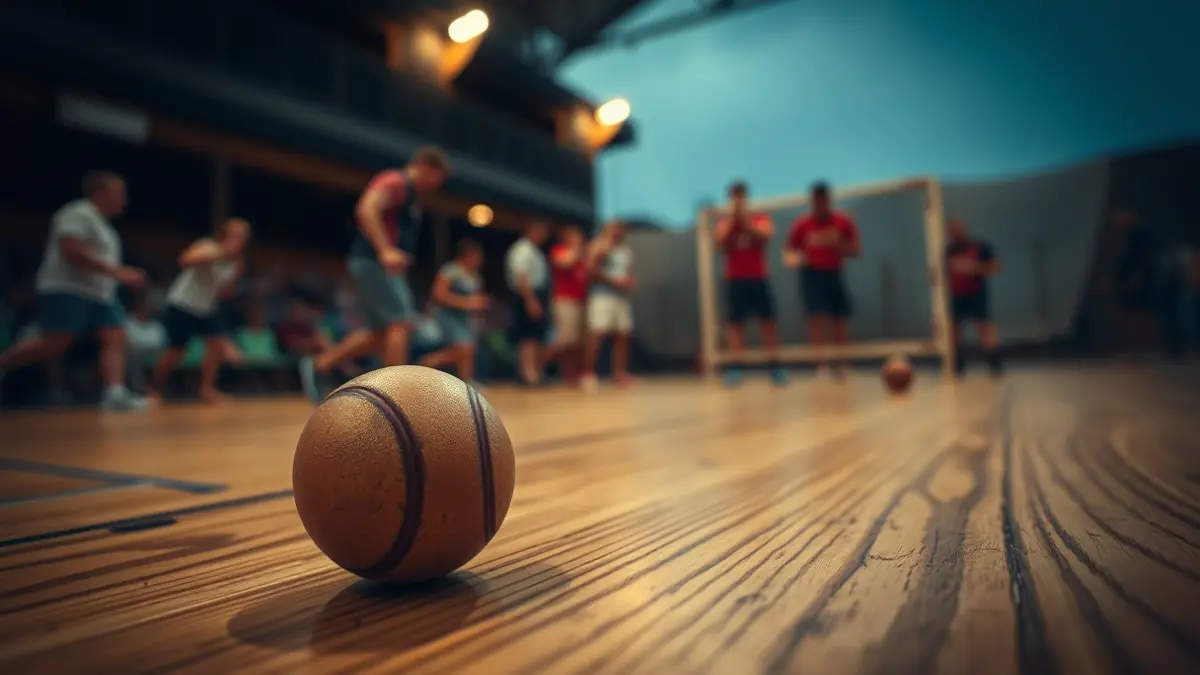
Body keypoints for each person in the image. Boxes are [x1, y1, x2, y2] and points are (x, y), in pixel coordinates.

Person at [299, 145, 450, 402]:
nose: (437, 185)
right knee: (401, 323)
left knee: (380, 333)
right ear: (427, 167)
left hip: (378, 264)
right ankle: (394, 393)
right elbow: (367, 208)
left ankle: (319, 365)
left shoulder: (410, 194)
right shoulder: (394, 180)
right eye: (438, 178)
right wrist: (385, 250)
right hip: (375, 262)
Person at [0, 171, 150, 412]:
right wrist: (118, 272)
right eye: (120, 193)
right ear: (100, 192)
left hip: (100, 294)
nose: (125, 199)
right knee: (54, 343)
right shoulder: (77, 213)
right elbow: (71, 250)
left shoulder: (105, 227)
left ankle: (114, 394)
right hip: (68, 289)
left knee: (116, 336)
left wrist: (120, 275)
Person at [148, 218, 250, 404]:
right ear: (224, 234)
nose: (238, 240)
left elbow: (226, 293)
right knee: (176, 351)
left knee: (217, 345)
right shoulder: (207, 246)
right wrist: (220, 254)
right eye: (234, 234)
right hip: (184, 303)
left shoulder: (236, 263)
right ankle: (154, 390)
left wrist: (235, 275)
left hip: (207, 308)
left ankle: (206, 390)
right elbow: (185, 259)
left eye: (242, 237)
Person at [784, 181, 860, 380]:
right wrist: (798, 259)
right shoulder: (802, 224)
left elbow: (856, 250)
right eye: (816, 201)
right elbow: (788, 254)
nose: (820, 205)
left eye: (823, 201)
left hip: (834, 272)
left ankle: (844, 363)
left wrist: (839, 245)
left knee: (839, 319)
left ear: (828, 200)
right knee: (815, 318)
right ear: (812, 201)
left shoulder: (842, 222)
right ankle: (821, 366)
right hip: (811, 275)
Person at [715, 181, 787, 388]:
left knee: (767, 322)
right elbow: (719, 243)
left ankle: (775, 366)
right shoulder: (724, 221)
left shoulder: (759, 217)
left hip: (758, 277)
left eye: (740, 196)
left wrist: (745, 220)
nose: (737, 200)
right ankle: (736, 368)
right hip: (735, 279)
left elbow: (766, 235)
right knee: (736, 325)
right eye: (734, 196)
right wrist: (732, 221)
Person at [419, 239, 489, 385]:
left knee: (468, 350)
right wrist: (466, 303)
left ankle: (466, 381)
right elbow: (438, 294)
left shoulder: (475, 277)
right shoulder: (451, 270)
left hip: (466, 319)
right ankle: (424, 366)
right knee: (463, 348)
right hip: (448, 316)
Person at [944, 217, 1002, 375]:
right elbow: (939, 274)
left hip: (976, 294)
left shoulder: (980, 247)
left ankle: (994, 363)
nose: (956, 231)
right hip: (955, 296)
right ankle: (957, 366)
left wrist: (974, 268)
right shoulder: (947, 252)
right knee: (953, 331)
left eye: (959, 227)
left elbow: (996, 266)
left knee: (985, 327)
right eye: (952, 229)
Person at [582, 220, 636, 389]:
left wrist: (629, 282)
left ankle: (619, 373)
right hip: (602, 297)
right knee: (597, 334)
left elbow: (628, 273)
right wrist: (613, 281)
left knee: (623, 335)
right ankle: (588, 373)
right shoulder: (598, 246)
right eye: (614, 228)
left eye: (621, 229)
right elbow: (590, 270)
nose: (618, 232)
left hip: (621, 298)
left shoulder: (626, 251)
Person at [505, 220, 551, 385]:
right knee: (527, 336)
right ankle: (528, 373)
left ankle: (535, 371)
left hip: (536, 294)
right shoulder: (522, 250)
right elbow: (521, 276)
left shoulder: (534, 250)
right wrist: (530, 300)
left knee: (536, 336)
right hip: (527, 294)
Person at [546, 226, 589, 386]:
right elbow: (566, 263)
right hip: (564, 300)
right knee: (564, 341)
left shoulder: (583, 256)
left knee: (577, 343)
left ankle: (571, 375)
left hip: (580, 301)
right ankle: (540, 366)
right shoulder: (559, 251)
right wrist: (577, 250)